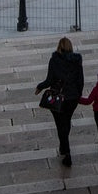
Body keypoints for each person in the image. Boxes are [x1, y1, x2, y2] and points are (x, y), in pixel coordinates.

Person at [34, 36, 84, 167]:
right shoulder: (77, 61)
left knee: (60, 124)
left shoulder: (54, 60)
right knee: (66, 122)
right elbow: (80, 81)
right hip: (72, 98)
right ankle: (63, 146)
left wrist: (40, 86)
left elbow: (49, 80)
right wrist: (78, 94)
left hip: (58, 98)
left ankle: (66, 151)